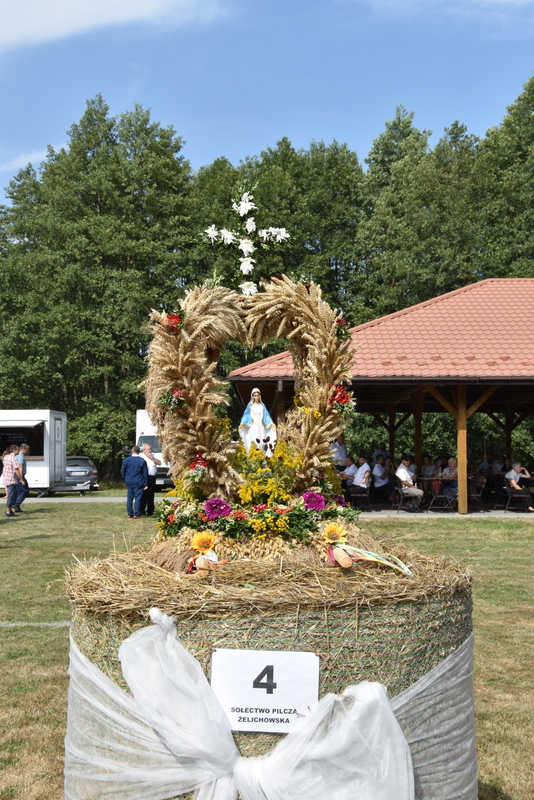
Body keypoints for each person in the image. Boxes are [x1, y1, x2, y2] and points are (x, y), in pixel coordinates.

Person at [239, 388, 277, 457]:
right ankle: (254, 457)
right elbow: (246, 416)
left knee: (262, 439)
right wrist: (242, 424)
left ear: (260, 396)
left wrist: (271, 423)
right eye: (255, 395)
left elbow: (266, 416)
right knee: (253, 440)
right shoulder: (250, 406)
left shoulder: (262, 406)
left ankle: (262, 456)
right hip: (253, 426)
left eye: (257, 395)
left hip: (261, 426)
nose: (256, 397)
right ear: (252, 396)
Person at [120, 446, 149, 519]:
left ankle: (130, 513)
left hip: (129, 481)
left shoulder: (126, 460)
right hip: (139, 481)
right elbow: (145, 473)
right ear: (139, 452)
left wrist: (125, 479)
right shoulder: (142, 461)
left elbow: (122, 471)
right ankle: (137, 514)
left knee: (129, 498)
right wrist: (146, 483)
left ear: (132, 451)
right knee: (138, 498)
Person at [139, 443, 161, 517]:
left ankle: (150, 510)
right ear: (144, 450)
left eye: (151, 449)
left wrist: (152, 458)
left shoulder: (153, 455)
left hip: (152, 477)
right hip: (144, 477)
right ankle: (141, 510)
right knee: (144, 494)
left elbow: (159, 463)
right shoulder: (141, 456)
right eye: (148, 449)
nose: (150, 450)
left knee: (151, 494)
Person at [3, 445, 23, 518]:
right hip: (11, 479)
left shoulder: (6, 457)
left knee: (11, 495)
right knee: (11, 496)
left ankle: (9, 510)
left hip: (6, 478)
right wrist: (21, 478)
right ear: (14, 450)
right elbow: (16, 469)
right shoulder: (13, 458)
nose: (18, 451)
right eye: (17, 450)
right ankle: (8, 511)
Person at [13, 443, 30, 512]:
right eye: (27, 450)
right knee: (26, 490)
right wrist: (21, 478)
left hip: (17, 476)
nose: (27, 451)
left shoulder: (18, 456)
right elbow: (20, 467)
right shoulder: (20, 457)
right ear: (23, 449)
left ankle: (17, 507)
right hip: (20, 475)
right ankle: (16, 504)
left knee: (19, 491)